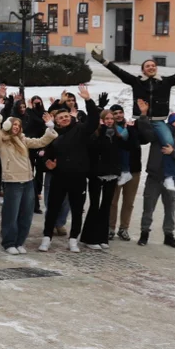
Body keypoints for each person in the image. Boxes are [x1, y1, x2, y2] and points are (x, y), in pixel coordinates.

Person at [39, 85, 99, 253]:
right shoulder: (53, 134)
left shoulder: (80, 129)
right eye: (61, 117)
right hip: (59, 177)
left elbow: (94, 121)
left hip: (78, 177)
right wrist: (47, 163)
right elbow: (45, 154)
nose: (64, 119)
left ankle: (73, 239)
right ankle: (46, 238)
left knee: (77, 209)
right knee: (53, 209)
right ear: (56, 121)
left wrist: (88, 100)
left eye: (66, 116)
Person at [0, 106, 56, 254]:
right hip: (12, 182)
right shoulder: (1, 141)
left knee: (26, 214)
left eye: (18, 126)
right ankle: (9, 242)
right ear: (8, 125)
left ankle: (20, 241)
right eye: (14, 124)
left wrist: (50, 128)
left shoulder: (23, 139)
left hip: (28, 181)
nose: (16, 128)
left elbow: (40, 142)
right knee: (11, 214)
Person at [135, 101, 175, 248]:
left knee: (170, 210)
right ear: (171, 123)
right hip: (154, 178)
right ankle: (144, 233)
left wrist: (173, 152)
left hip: (171, 180)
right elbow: (146, 130)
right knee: (148, 208)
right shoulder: (158, 137)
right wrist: (143, 114)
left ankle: (169, 235)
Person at [80, 110, 125, 250]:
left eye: (111, 119)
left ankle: (102, 237)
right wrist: (103, 129)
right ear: (101, 120)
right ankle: (89, 238)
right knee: (94, 205)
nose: (110, 121)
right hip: (96, 174)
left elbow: (127, 148)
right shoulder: (96, 134)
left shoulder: (117, 135)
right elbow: (95, 149)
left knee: (106, 205)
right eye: (107, 118)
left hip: (111, 175)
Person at [107, 105, 141, 242]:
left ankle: (124, 228)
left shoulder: (132, 127)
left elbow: (136, 144)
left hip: (133, 170)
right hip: (116, 170)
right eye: (115, 113)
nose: (119, 115)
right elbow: (118, 144)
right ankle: (110, 227)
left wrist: (132, 129)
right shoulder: (110, 130)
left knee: (129, 202)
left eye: (120, 112)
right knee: (112, 202)